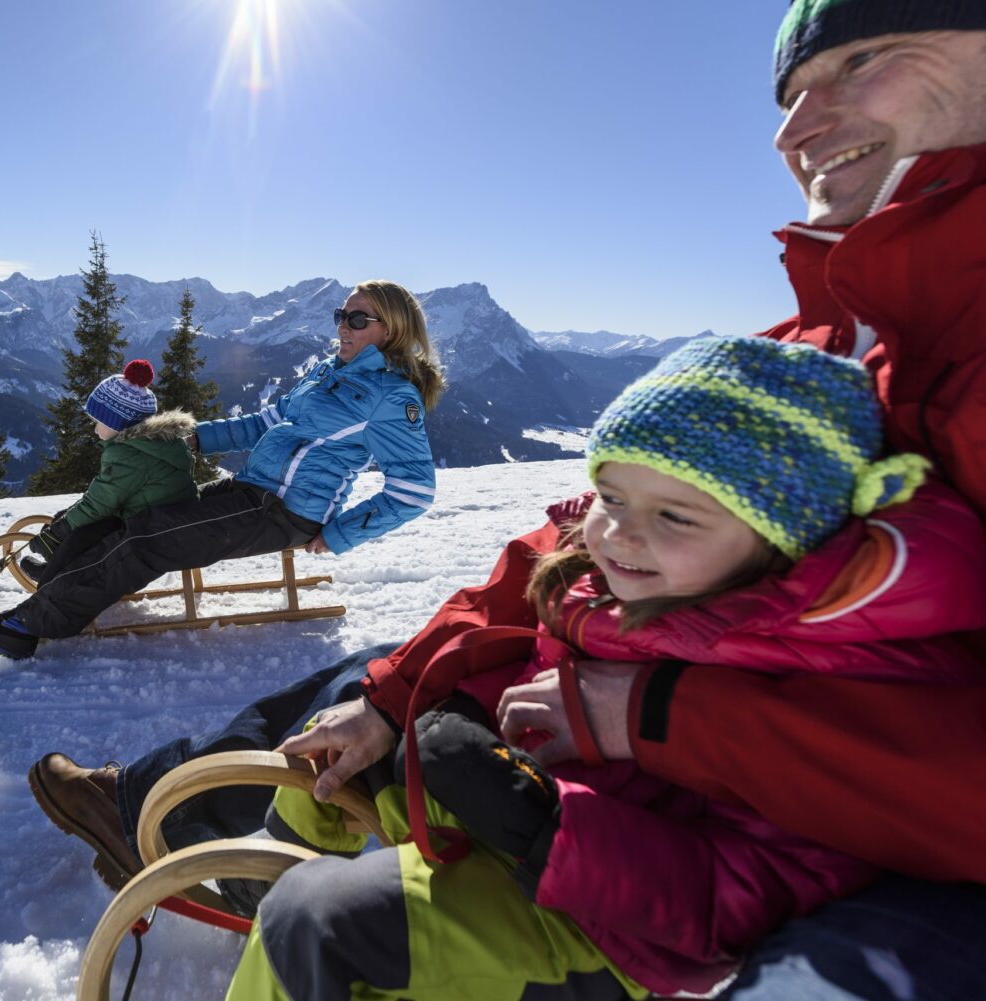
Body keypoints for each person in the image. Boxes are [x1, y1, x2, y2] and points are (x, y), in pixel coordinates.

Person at [33, 4, 986, 998]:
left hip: (849, 836)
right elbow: (583, 528)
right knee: (388, 677)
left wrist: (649, 717)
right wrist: (408, 682)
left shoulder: (390, 388)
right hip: (672, 703)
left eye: (862, 60)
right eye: (790, 93)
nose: (793, 130)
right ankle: (191, 823)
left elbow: (409, 479)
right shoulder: (821, 340)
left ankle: (273, 874)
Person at [222, 336, 986, 999]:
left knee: (315, 922)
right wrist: (444, 713)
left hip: (598, 925)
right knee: (340, 756)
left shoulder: (807, 660)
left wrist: (549, 828)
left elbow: (763, 885)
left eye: (676, 514)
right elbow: (531, 658)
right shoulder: (613, 582)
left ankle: (290, 943)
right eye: (611, 494)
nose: (618, 533)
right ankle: (249, 908)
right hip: (515, 826)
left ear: (777, 537)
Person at [0, 279, 445, 659]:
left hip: (284, 512)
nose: (343, 326)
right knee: (141, 511)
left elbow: (413, 491)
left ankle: (28, 626)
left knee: (147, 537)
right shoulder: (328, 371)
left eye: (358, 319)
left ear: (391, 328)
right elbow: (269, 421)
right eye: (342, 315)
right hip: (252, 491)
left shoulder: (392, 397)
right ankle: (68, 574)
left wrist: (337, 535)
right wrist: (194, 436)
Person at [0, 359, 197, 590]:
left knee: (86, 533)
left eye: (99, 422)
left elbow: (99, 504)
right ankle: (57, 566)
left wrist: (60, 531)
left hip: (153, 529)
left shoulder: (129, 455)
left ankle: (57, 582)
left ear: (119, 423)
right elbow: (104, 498)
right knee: (72, 519)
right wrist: (64, 522)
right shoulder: (145, 444)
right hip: (158, 517)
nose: (95, 428)